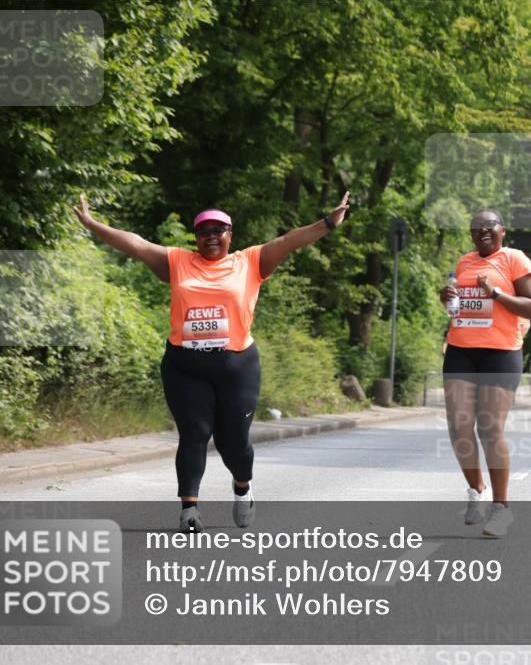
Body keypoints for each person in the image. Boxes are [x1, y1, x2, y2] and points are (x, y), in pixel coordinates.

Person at [72, 192, 350, 532]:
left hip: (237, 368)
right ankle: (189, 509)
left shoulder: (250, 261)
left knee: (234, 443)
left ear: (230, 235)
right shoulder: (177, 261)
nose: (212, 236)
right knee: (194, 433)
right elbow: (136, 244)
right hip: (185, 366)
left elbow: (288, 241)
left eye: (219, 230)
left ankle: (242, 486)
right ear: (196, 237)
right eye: (204, 231)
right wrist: (92, 224)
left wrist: (328, 223)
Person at [439, 210, 531, 537]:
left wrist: (495, 292)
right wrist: (446, 298)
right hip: (461, 349)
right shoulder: (464, 263)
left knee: (490, 428)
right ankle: (476, 489)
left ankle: (501, 508)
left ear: (502, 231)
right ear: (471, 235)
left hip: (501, 352)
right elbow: (457, 306)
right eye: (476, 228)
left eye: (489, 226)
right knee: (458, 426)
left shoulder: (514, 259)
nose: (483, 231)